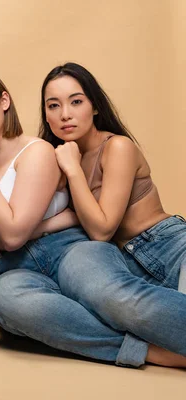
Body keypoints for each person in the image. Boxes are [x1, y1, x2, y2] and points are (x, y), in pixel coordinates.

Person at [39, 62, 186, 366]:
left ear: (94, 106)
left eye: (76, 101)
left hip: (170, 248)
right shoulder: (53, 159)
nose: (64, 114)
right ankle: (158, 354)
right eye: (53, 105)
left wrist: (72, 169)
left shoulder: (118, 147)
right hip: (124, 265)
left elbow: (102, 229)